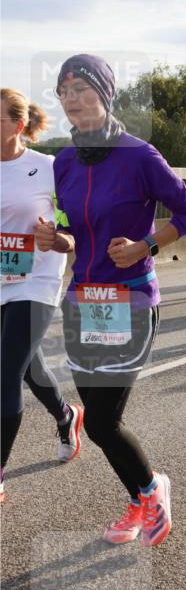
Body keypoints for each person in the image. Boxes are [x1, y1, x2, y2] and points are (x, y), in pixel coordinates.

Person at [35, 55, 186, 545]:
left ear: (105, 96)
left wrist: (143, 246)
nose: (73, 99)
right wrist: (56, 239)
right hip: (82, 300)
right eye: (64, 91)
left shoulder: (139, 155)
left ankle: (152, 489)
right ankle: (137, 498)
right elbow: (74, 234)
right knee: (102, 416)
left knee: (104, 422)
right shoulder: (64, 161)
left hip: (129, 299)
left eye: (82, 89)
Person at [1, 89, 83, 503]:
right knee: (29, 368)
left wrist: (60, 240)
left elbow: (74, 225)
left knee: (4, 373)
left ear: (18, 126)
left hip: (36, 280)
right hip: (0, 280)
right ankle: (66, 415)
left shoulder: (48, 168)